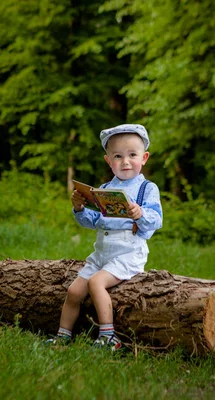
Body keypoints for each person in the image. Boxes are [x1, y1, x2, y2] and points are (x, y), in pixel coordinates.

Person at [47, 124, 163, 350]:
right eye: (118, 156)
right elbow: (95, 221)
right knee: (74, 290)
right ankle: (63, 335)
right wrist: (80, 209)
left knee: (96, 282)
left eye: (132, 155)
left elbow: (156, 220)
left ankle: (109, 336)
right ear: (109, 161)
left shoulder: (146, 188)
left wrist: (140, 214)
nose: (125, 161)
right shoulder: (105, 188)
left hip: (129, 252)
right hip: (102, 253)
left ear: (144, 158)